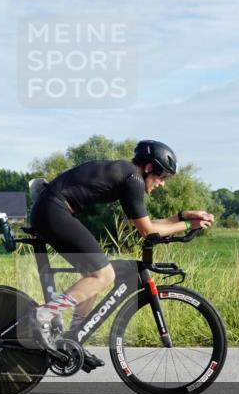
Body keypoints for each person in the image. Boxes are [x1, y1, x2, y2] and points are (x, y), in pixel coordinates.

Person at [27, 140, 215, 367]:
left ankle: (72, 339)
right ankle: (42, 315)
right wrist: (187, 226)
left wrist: (182, 217)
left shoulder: (127, 175)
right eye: (162, 177)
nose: (162, 184)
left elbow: (145, 224)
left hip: (53, 208)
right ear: (148, 168)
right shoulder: (132, 179)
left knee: (94, 275)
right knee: (103, 275)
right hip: (54, 210)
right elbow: (148, 231)